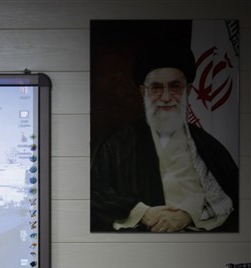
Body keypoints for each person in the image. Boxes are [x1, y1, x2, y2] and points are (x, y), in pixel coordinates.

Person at [91, 43, 238, 232]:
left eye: (175, 87)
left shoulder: (209, 147)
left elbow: (231, 195)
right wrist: (143, 213)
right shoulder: (115, 147)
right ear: (143, 92)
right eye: (156, 88)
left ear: (188, 90)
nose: (166, 97)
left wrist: (189, 215)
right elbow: (96, 194)